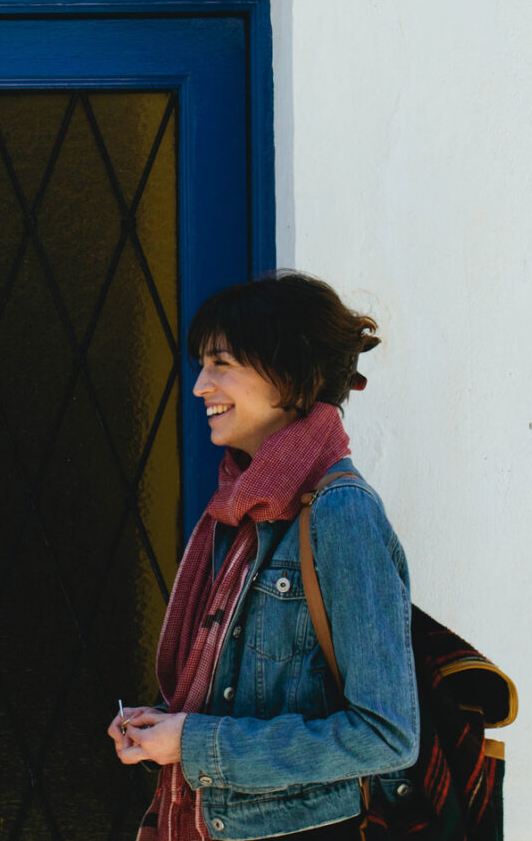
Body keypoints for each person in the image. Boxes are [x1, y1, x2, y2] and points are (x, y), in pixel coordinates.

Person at [110, 273, 419, 841]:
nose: (201, 385)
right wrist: (168, 729)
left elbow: (385, 734)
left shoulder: (340, 514)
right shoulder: (240, 511)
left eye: (221, 363)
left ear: (290, 376)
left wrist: (194, 742)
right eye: (202, 364)